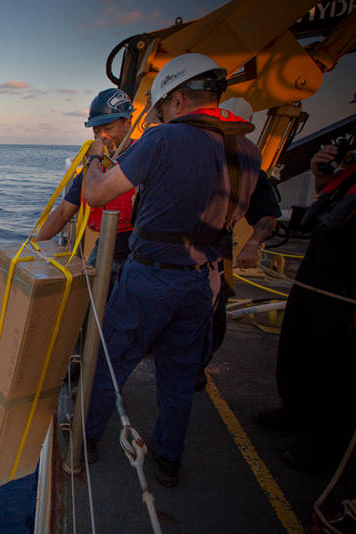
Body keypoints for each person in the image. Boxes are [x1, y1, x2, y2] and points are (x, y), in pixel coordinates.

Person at [80, 53, 262, 487]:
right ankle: (168, 461)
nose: (162, 116)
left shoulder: (162, 141)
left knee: (114, 360)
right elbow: (240, 213)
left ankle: (85, 438)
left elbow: (98, 194)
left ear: (177, 99)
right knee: (179, 376)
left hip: (149, 277)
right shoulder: (249, 151)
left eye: (162, 108)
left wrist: (95, 156)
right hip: (204, 281)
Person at [257, 138, 356, 473]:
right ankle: (296, 409)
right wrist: (319, 173)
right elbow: (328, 202)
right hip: (323, 263)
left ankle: (326, 445)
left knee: (339, 359)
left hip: (347, 281)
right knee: (300, 337)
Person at [195, 98, 282, 392]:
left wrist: (252, 244)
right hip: (184, 244)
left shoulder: (249, 168)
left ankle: (197, 367)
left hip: (217, 246)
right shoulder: (197, 156)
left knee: (213, 311)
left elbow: (267, 212)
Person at [36, 88, 136, 278]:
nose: (102, 137)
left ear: (127, 123)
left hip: (137, 247)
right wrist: (34, 245)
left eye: (108, 129)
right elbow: (64, 212)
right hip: (106, 246)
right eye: (97, 131)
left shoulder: (143, 154)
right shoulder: (92, 169)